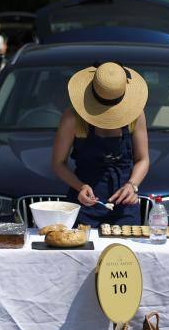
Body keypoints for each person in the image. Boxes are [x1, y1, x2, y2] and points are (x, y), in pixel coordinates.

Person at [52, 62, 150, 226]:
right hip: (83, 206)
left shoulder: (136, 115)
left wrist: (132, 186)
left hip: (125, 208)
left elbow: (143, 159)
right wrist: (80, 186)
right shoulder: (73, 118)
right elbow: (57, 163)